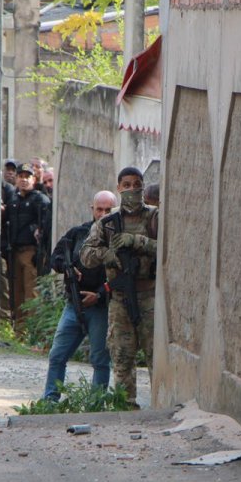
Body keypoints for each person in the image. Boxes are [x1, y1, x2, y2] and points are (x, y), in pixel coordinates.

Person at [80, 166, 158, 408]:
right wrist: (108, 255)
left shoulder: (154, 217)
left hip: (150, 296)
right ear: (118, 188)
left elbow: (170, 248)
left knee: (156, 356)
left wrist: (138, 241)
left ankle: (160, 408)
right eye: (126, 185)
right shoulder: (108, 223)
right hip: (120, 298)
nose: (132, 189)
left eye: (137, 184)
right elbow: (85, 255)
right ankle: (126, 407)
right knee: (122, 357)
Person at [41, 190, 118, 401]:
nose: (103, 214)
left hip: (100, 307)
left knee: (100, 360)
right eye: (99, 209)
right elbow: (56, 257)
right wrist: (67, 269)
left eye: (108, 210)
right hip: (73, 305)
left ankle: (96, 402)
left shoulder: (118, 238)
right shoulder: (78, 233)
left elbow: (122, 276)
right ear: (92, 209)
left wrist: (100, 294)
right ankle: (50, 400)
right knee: (57, 356)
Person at [1, 163, 51, 328]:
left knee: (32, 293)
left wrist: (41, 252)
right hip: (15, 251)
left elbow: (46, 229)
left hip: (32, 253)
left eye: (27, 176)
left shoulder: (40, 200)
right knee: (16, 293)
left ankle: (32, 331)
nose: (23, 180)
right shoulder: (14, 201)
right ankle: (19, 331)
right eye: (20, 176)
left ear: (34, 179)